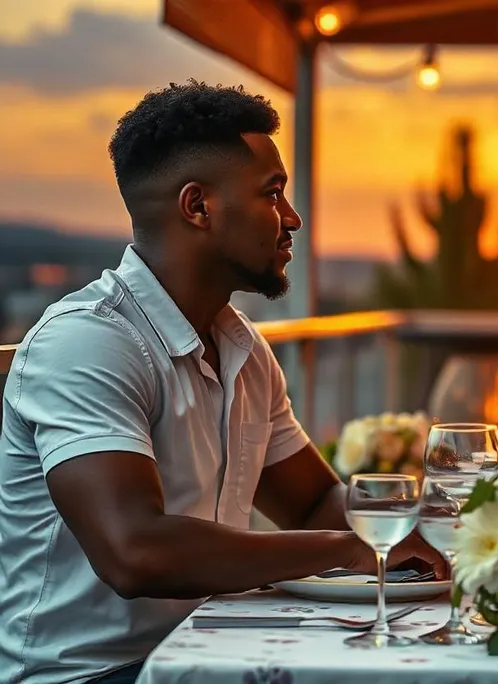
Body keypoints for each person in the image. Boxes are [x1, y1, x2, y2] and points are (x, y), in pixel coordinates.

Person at [0, 81, 444, 684]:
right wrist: (353, 547)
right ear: (198, 207)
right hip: (90, 673)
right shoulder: (88, 342)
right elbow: (136, 553)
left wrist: (423, 518)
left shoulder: (244, 350)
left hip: (207, 649)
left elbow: (313, 503)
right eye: (273, 194)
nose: (293, 218)